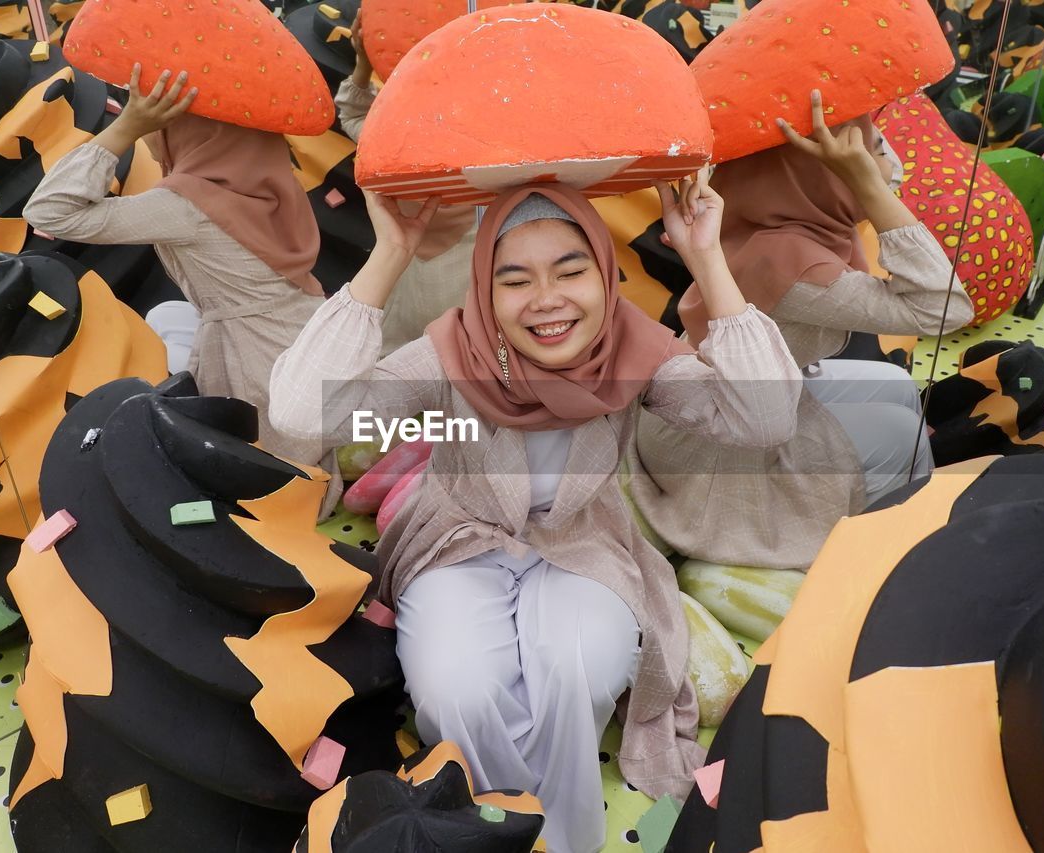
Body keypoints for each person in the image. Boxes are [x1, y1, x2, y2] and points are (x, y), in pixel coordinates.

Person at [268, 171, 803, 852]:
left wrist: (706, 257)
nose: (546, 300)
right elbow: (298, 413)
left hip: (584, 542)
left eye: (570, 270)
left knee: (577, 666)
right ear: (485, 292)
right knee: (458, 688)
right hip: (454, 541)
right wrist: (390, 256)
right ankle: (504, 836)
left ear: (605, 274)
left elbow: (767, 415)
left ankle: (557, 840)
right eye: (515, 279)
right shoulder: (453, 351)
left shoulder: (630, 350)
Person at [632, 92, 974, 569]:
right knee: (901, 431)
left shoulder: (780, 219)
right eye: (874, 150)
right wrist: (872, 191)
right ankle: (877, 555)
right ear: (819, 174)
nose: (890, 162)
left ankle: (889, 522)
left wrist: (860, 178)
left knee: (897, 386)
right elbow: (945, 308)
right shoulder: (796, 261)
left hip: (727, 397)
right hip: (713, 444)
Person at [24, 65, 329, 466]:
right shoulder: (261, 173)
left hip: (255, 359)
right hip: (307, 335)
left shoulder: (186, 206)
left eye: (164, 119)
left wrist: (126, 128)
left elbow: (49, 211)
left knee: (277, 479)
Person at [335, 9, 475, 357]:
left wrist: (364, 61)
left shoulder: (390, 141)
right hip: (473, 289)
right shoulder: (500, 152)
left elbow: (353, 114)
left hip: (403, 282)